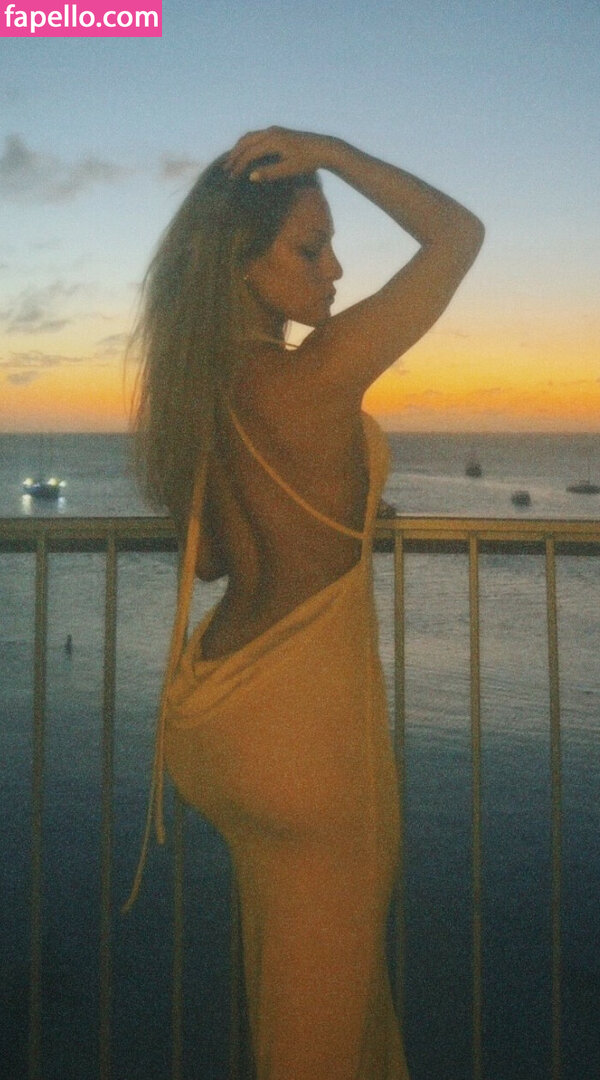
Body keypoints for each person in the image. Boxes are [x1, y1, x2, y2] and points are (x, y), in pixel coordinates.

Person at [125, 127, 484, 1079]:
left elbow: (215, 560)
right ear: (239, 265)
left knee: (297, 999)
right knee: (321, 1040)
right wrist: (334, 152)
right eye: (309, 248)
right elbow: (458, 236)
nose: (334, 271)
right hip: (306, 739)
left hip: (221, 714)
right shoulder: (312, 376)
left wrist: (346, 499)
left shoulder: (205, 386)